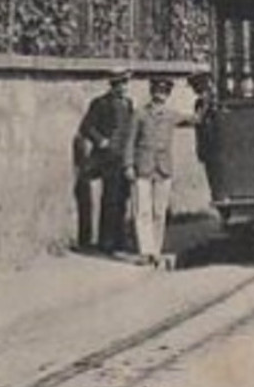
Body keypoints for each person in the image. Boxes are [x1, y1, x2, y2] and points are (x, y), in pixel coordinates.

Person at [73, 68, 135, 252]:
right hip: (108, 158)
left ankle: (120, 239)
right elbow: (86, 127)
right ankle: (106, 241)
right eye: (119, 84)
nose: (123, 87)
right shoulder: (100, 103)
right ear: (112, 85)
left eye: (125, 83)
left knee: (123, 198)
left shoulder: (129, 103)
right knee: (110, 199)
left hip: (124, 157)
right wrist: (101, 141)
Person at [124, 76, 182, 266]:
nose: (161, 95)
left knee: (159, 211)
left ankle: (156, 250)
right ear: (152, 93)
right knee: (142, 211)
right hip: (143, 167)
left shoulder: (171, 115)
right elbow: (130, 141)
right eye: (158, 91)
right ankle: (145, 251)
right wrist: (129, 165)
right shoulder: (139, 114)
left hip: (163, 168)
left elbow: (194, 119)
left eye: (165, 92)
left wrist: (206, 99)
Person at [184, 64, 220, 202]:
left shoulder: (209, 100)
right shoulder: (202, 101)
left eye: (196, 85)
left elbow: (198, 119)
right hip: (207, 146)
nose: (194, 89)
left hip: (214, 145)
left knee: (216, 178)